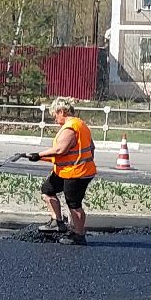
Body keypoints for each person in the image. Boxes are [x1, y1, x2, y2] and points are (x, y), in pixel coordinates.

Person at [26, 96, 97, 245]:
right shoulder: (81, 125)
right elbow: (90, 148)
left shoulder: (71, 127)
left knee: (74, 203)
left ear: (61, 111)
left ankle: (78, 235)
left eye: (54, 115)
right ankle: (57, 222)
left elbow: (60, 150)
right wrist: (39, 158)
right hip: (67, 170)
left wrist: (39, 155)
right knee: (48, 189)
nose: (54, 119)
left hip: (76, 172)